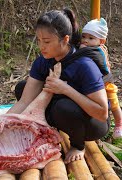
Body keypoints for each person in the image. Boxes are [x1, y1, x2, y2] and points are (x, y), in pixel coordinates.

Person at [9, 8, 109, 164]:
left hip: (92, 124)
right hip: (62, 111)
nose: (41, 46)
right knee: (22, 88)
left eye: (47, 41)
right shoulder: (42, 61)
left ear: (65, 39)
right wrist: (0, 124)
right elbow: (24, 101)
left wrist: (65, 89)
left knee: (62, 106)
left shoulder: (84, 65)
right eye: (39, 40)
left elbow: (102, 114)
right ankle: (47, 132)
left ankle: (78, 145)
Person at [80, 18, 122, 139]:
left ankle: (119, 123)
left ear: (101, 41)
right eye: (84, 36)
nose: (85, 41)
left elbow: (84, 54)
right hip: (95, 85)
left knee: (114, 104)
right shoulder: (92, 48)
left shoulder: (98, 51)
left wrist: (81, 48)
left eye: (91, 38)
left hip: (106, 84)